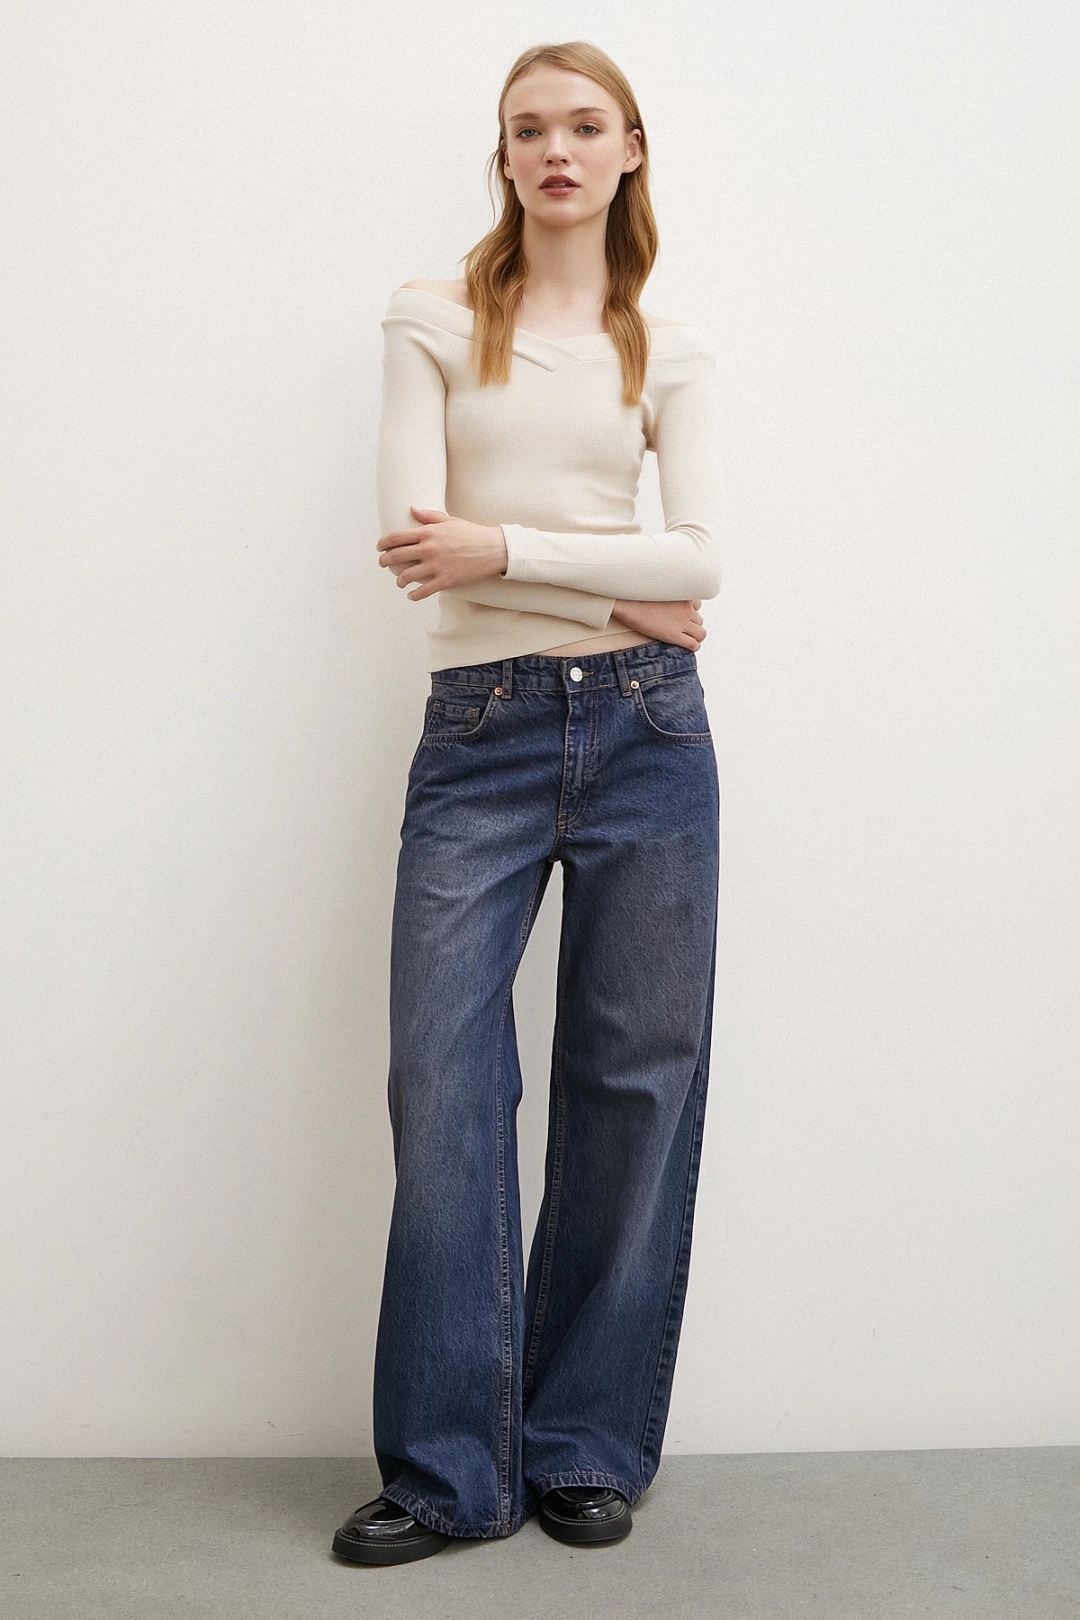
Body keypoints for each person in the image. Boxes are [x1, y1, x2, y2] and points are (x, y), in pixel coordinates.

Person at [333, 39, 722, 1567]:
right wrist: (613, 589)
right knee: (443, 1084)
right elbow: (415, 540)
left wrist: (511, 554)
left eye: (583, 125)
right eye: (526, 130)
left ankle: (583, 1448)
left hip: (650, 735)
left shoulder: (666, 351)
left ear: (630, 150)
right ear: (502, 159)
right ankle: (447, 1472)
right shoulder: (431, 318)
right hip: (481, 730)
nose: (555, 149)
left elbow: (704, 563)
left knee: (636, 1084)